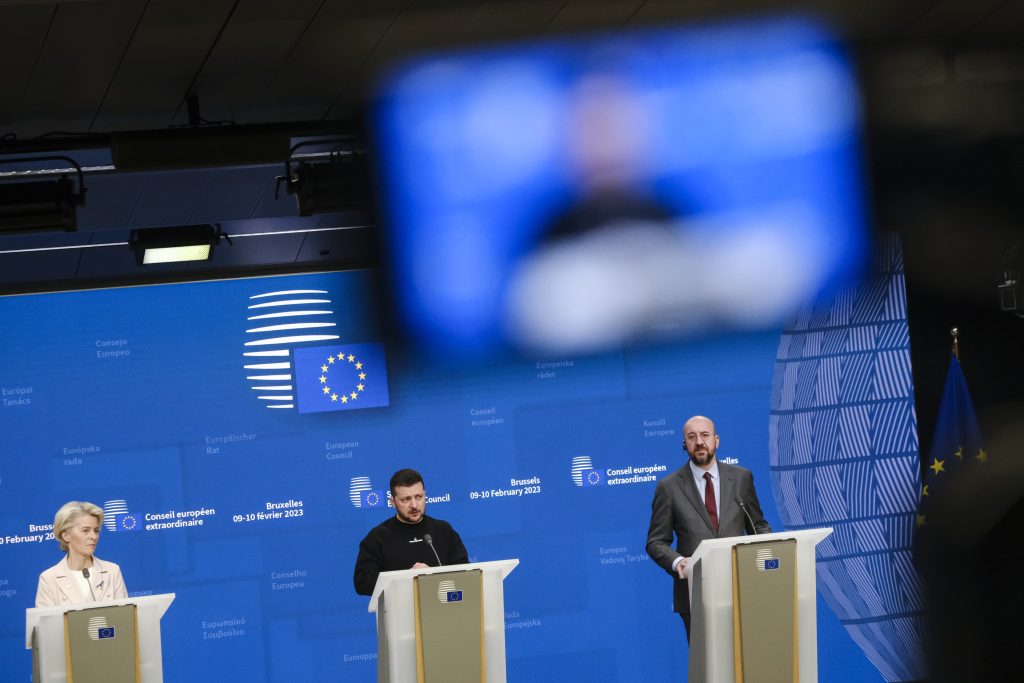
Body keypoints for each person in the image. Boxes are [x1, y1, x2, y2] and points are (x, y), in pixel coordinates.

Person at [646, 416, 771, 638]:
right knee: (707, 669)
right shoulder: (669, 487)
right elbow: (656, 542)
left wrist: (768, 550)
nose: (699, 442)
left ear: (716, 440)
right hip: (695, 595)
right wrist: (678, 563)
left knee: (746, 665)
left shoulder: (741, 478)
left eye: (705, 435)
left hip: (742, 589)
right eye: (691, 437)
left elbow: (758, 525)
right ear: (685, 444)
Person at [353, 469, 469, 596]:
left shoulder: (443, 530)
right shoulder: (378, 537)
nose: (414, 505)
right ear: (393, 502)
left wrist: (432, 574)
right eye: (406, 499)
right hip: (399, 613)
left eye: (418, 497)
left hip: (443, 610)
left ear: (425, 495)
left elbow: (465, 573)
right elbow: (362, 582)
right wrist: (408, 577)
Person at [36, 501, 128, 607]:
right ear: (66, 536)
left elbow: (126, 618)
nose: (93, 536)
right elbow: (47, 623)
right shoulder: (49, 579)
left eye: (96, 530)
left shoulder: (112, 571)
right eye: (85, 530)